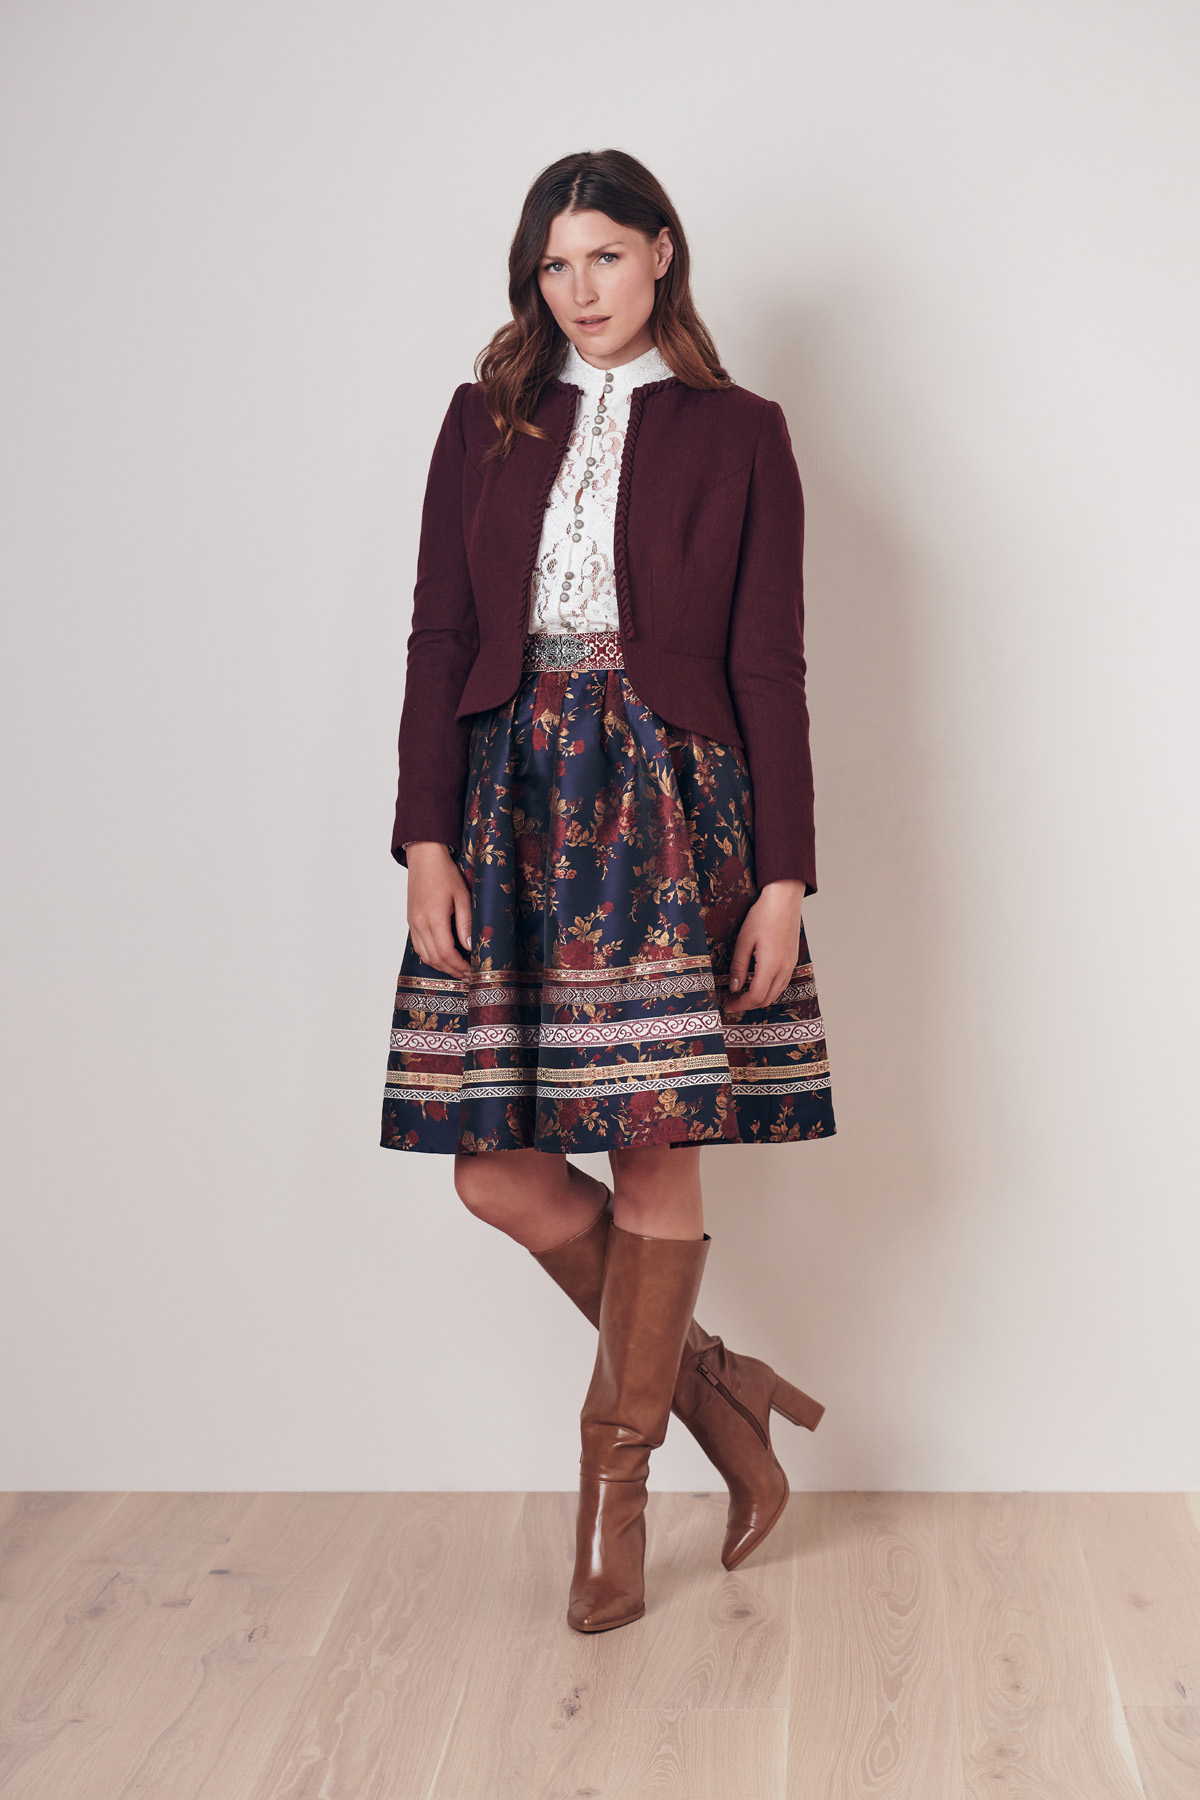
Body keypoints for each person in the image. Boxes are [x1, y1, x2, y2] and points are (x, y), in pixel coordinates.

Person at [380, 148, 835, 1633]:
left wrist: (784, 876)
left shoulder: (741, 433)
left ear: (662, 254)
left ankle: (614, 1497)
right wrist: (426, 838)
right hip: (510, 804)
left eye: (605, 258)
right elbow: (439, 635)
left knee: (652, 1154)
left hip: (672, 811)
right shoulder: (484, 421)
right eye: (554, 266)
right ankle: (720, 1394)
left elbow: (770, 663)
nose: (579, 291)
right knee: (493, 1169)